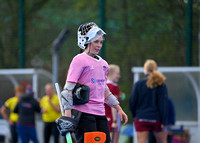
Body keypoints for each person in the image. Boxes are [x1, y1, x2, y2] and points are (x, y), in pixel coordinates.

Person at [57, 22, 128, 143]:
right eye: (96, 41)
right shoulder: (79, 60)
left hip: (101, 115)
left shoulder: (104, 64)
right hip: (84, 115)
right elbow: (68, 89)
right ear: (86, 41)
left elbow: (104, 90)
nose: (99, 45)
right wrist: (67, 115)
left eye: (101, 42)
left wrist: (118, 108)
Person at [129, 59, 168, 143]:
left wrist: (135, 116)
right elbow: (163, 103)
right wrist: (164, 121)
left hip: (141, 118)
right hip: (156, 118)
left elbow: (132, 102)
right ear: (155, 69)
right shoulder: (161, 84)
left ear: (145, 70)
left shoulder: (138, 84)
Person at [104, 64, 121, 143]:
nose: (119, 76)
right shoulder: (113, 86)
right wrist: (115, 121)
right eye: (117, 73)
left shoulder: (104, 85)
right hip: (110, 117)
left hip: (104, 116)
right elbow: (113, 105)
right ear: (110, 73)